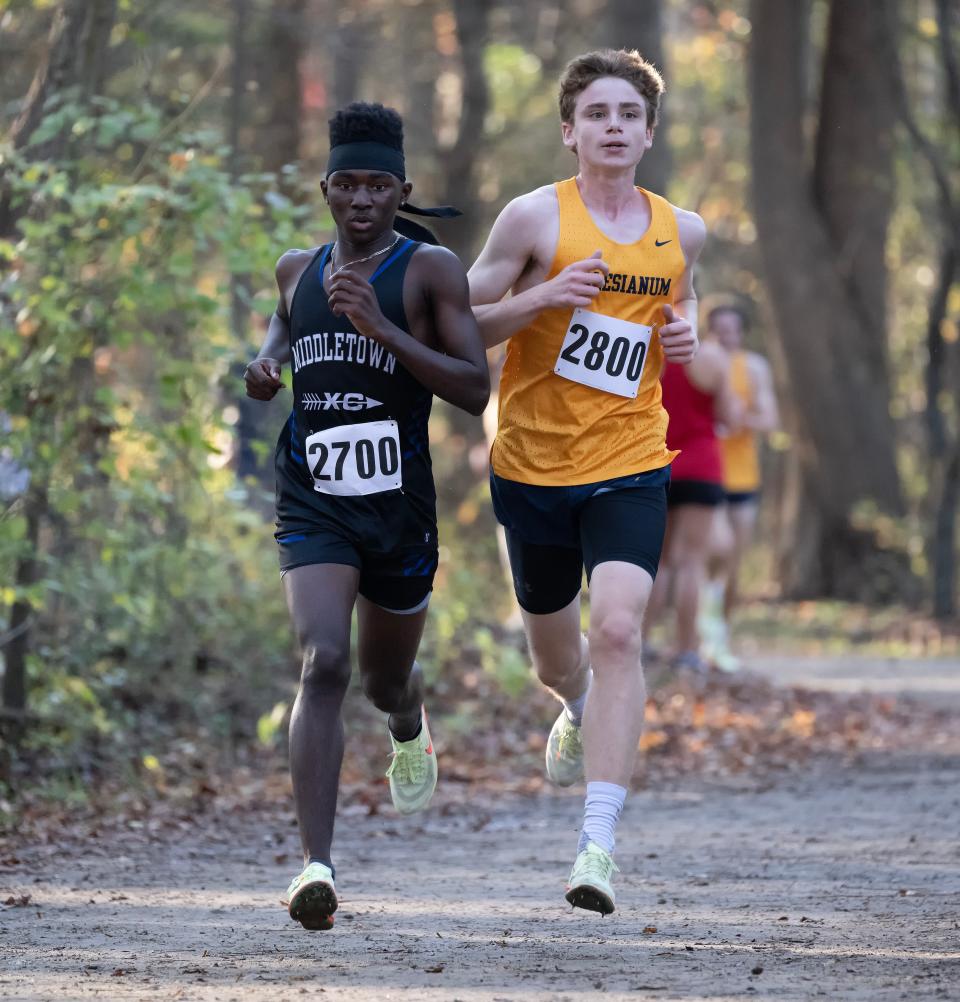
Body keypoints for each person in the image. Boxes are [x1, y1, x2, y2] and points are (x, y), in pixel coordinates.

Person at [468, 49, 703, 915]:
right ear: (570, 132)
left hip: (631, 460)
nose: (613, 126)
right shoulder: (532, 220)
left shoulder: (683, 231)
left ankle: (597, 845)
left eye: (628, 115)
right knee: (558, 657)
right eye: (596, 113)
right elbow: (462, 323)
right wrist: (541, 299)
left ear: (648, 132)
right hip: (530, 466)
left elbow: (678, 313)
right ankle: (572, 704)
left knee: (617, 633)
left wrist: (685, 341)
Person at [244, 102, 489, 932]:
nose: (360, 198)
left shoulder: (430, 271)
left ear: (401, 190)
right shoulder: (295, 266)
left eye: (377, 185)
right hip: (313, 496)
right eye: (345, 182)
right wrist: (268, 362)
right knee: (322, 659)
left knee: (385, 679)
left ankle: (408, 722)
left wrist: (379, 327)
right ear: (325, 187)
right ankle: (316, 866)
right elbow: (283, 322)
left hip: (396, 510)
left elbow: (471, 387)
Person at [646, 338, 741, 672]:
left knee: (657, 561)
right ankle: (686, 650)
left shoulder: (648, 344)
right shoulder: (712, 356)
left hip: (655, 462)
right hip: (701, 467)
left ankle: (641, 643)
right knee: (692, 561)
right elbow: (730, 417)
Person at [699, 304, 779, 669]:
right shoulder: (698, 361)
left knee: (732, 561)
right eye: (719, 329)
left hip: (743, 476)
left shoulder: (754, 367)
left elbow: (769, 418)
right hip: (704, 473)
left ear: (742, 332)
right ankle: (698, 633)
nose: (726, 336)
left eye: (733, 329)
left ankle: (721, 634)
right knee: (703, 557)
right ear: (709, 331)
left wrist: (735, 418)